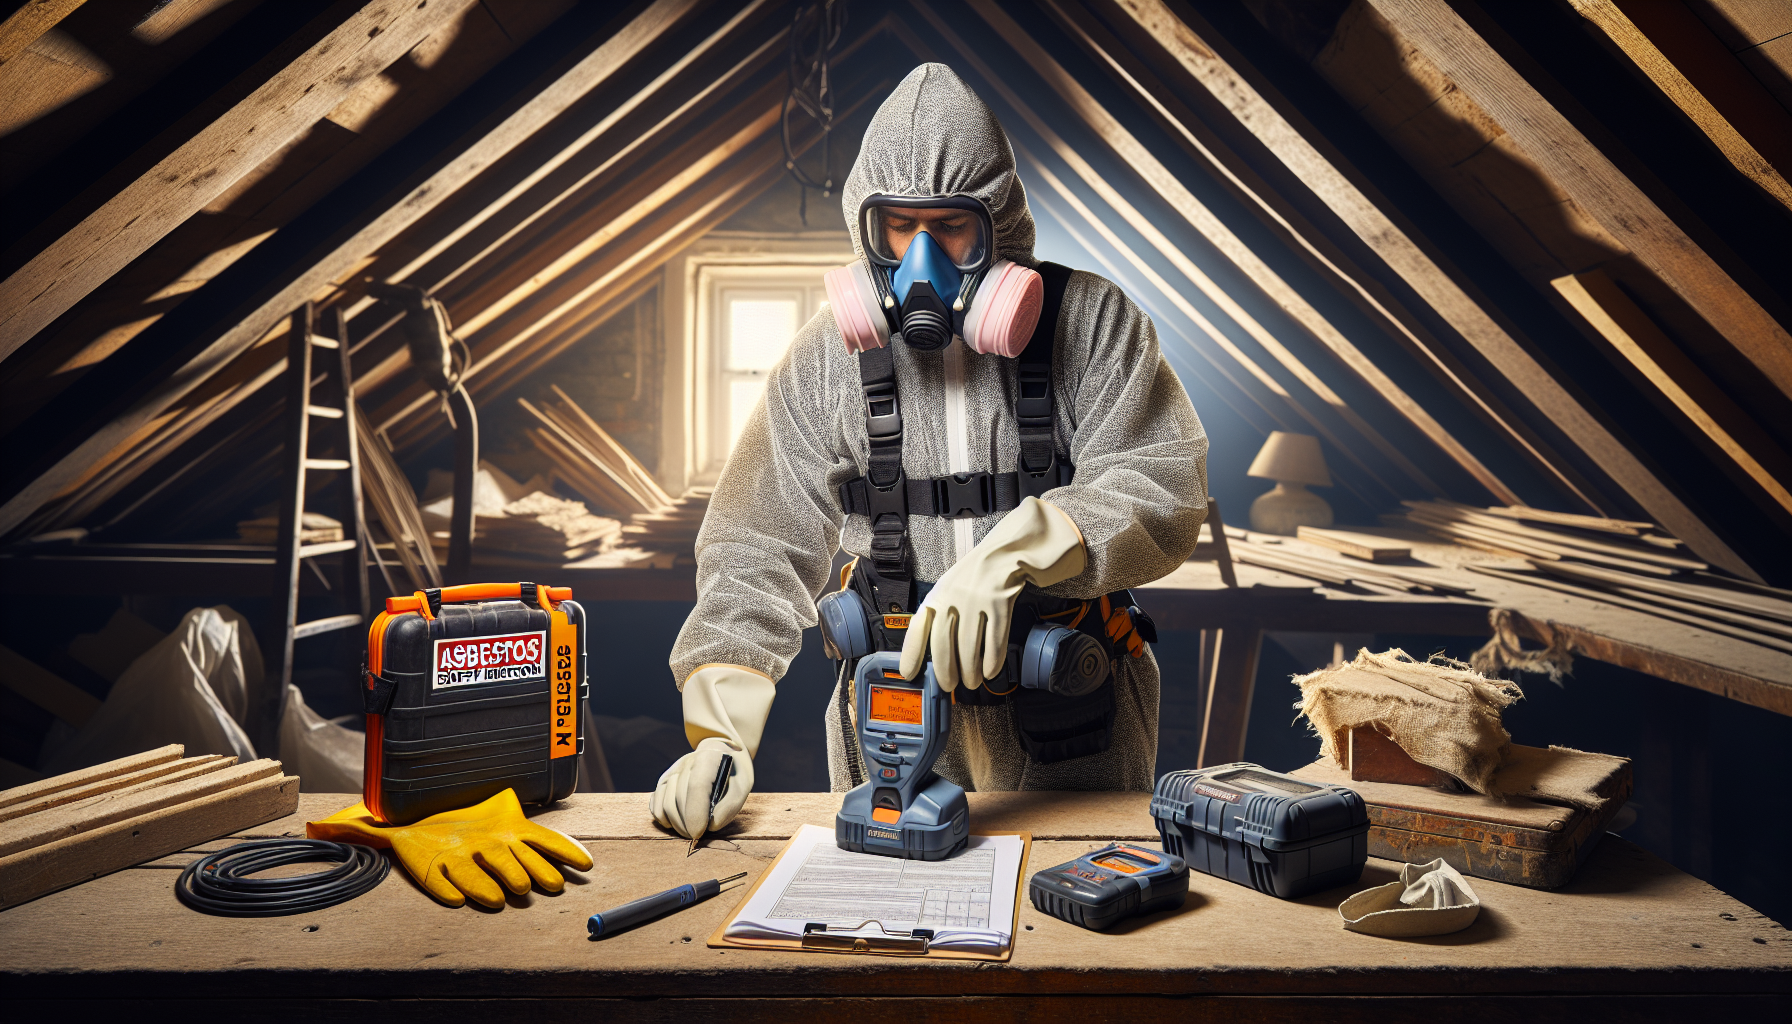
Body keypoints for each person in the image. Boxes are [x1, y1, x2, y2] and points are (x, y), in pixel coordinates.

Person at [651, 64, 1207, 842]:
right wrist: (719, 729)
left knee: (1078, 921)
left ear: (999, 224)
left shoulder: (1093, 322)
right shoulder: (824, 361)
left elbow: (1161, 482)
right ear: (865, 229)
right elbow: (758, 540)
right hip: (892, 718)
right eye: (899, 228)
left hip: (1074, 710)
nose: (922, 260)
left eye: (950, 227)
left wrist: (1016, 550)